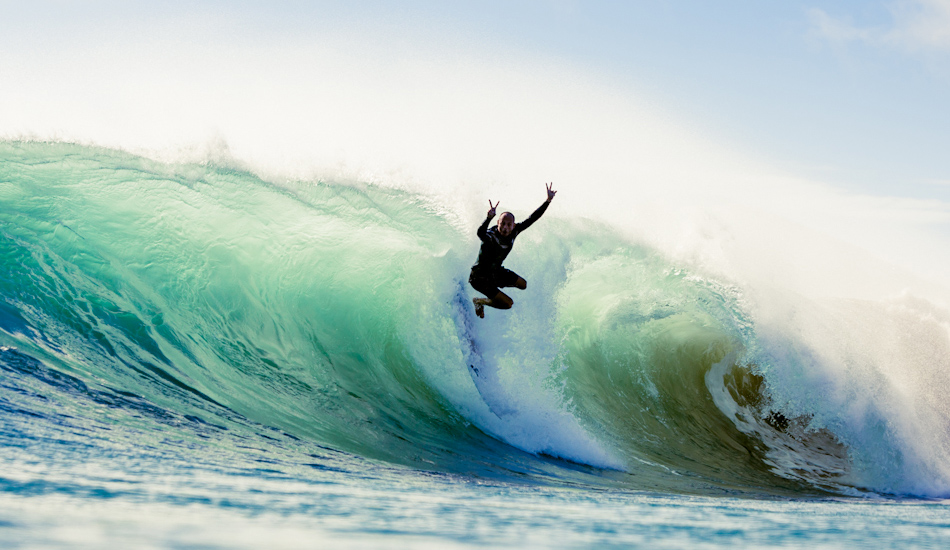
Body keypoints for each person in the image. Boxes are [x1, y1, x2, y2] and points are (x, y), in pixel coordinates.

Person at [469, 183, 557, 318]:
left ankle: (494, 288)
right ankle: (479, 301)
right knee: (507, 304)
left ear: (513, 225)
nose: (505, 227)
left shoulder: (515, 231)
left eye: (508, 224)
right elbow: (480, 233)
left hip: (495, 272)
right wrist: (488, 219)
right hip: (479, 277)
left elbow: (532, 218)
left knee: (523, 285)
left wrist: (548, 201)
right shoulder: (490, 236)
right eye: (502, 224)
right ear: (497, 223)